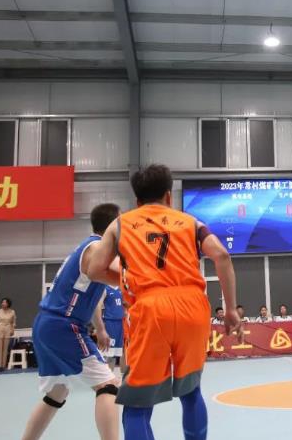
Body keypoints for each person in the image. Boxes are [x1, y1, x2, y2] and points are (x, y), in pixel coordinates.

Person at [85, 164, 240, 440]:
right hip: (192, 307)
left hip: (149, 310)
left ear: (137, 201)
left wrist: (128, 281)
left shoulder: (120, 224)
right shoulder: (191, 222)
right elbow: (222, 255)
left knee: (137, 404)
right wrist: (230, 309)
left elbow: (94, 269)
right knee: (191, 392)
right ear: (169, 195)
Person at [20, 203, 122, 440]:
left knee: (56, 393)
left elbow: (94, 298)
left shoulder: (87, 247)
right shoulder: (98, 247)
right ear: (113, 226)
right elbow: (124, 271)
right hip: (64, 326)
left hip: (47, 324)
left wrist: (100, 328)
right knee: (108, 385)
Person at [101, 286, 124, 368]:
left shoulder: (121, 288)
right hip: (110, 322)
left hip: (121, 322)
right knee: (109, 352)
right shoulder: (105, 289)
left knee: (117, 352)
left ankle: (114, 373)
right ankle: (105, 373)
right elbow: (99, 306)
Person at [0, 297, 16, 370]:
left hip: (8, 328)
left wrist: (12, 330)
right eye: (2, 302)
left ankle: (3, 365)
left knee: (5, 348)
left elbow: (13, 322)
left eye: (5, 302)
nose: (3, 303)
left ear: (8, 303)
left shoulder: (12, 312)